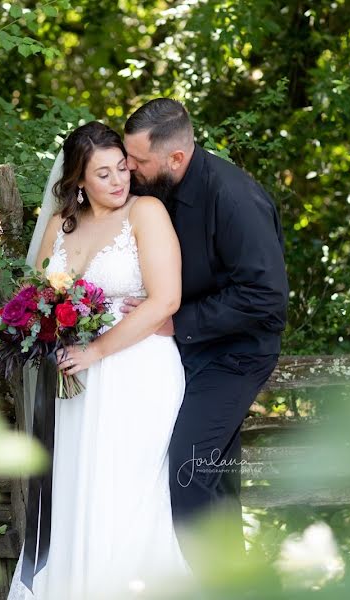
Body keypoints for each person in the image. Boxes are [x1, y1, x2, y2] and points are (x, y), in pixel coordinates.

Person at [7, 121, 193, 599]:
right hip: (74, 380)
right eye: (103, 174)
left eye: (122, 168)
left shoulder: (146, 212)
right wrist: (44, 329)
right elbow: (36, 297)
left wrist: (95, 350)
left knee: (127, 498)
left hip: (138, 371)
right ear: (79, 183)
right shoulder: (58, 226)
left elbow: (165, 300)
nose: (119, 181)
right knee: (75, 494)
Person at [121, 99, 289, 558]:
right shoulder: (160, 185)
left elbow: (265, 296)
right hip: (185, 351)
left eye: (138, 161)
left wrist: (177, 321)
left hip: (235, 355)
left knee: (189, 474)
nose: (129, 169)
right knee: (211, 479)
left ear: (176, 158)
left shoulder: (234, 198)